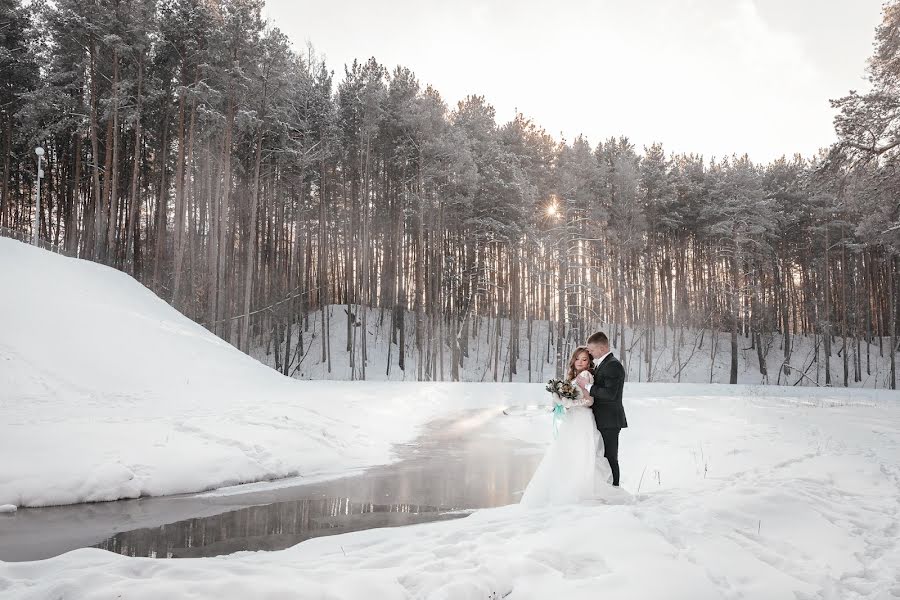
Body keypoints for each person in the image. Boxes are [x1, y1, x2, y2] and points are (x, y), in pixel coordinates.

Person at [520, 347, 611, 507]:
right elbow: (570, 398)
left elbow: (590, 401)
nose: (580, 362)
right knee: (567, 454)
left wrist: (571, 403)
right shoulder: (575, 377)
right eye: (578, 359)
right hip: (572, 420)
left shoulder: (585, 375)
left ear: (589, 362)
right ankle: (564, 490)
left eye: (584, 359)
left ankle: (577, 492)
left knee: (578, 454)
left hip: (581, 420)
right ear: (573, 360)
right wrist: (559, 400)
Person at [576, 331, 628, 487]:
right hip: (602, 419)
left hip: (610, 420)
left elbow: (610, 394)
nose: (589, 353)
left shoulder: (613, 365)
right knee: (602, 457)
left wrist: (588, 386)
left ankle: (615, 489)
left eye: (592, 350)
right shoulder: (602, 363)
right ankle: (607, 488)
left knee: (610, 457)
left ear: (603, 347)